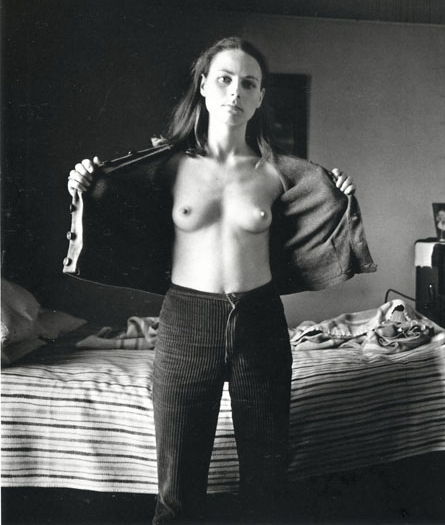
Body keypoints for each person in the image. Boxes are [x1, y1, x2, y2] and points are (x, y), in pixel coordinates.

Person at [66, 36, 375, 524]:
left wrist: (340, 193)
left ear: (260, 97)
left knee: (267, 486)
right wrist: (86, 183)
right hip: (187, 320)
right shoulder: (169, 167)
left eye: (248, 83)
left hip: (260, 322)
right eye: (225, 79)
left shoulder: (277, 173)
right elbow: (112, 196)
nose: (236, 91)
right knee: (177, 492)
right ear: (204, 86)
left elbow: (322, 216)